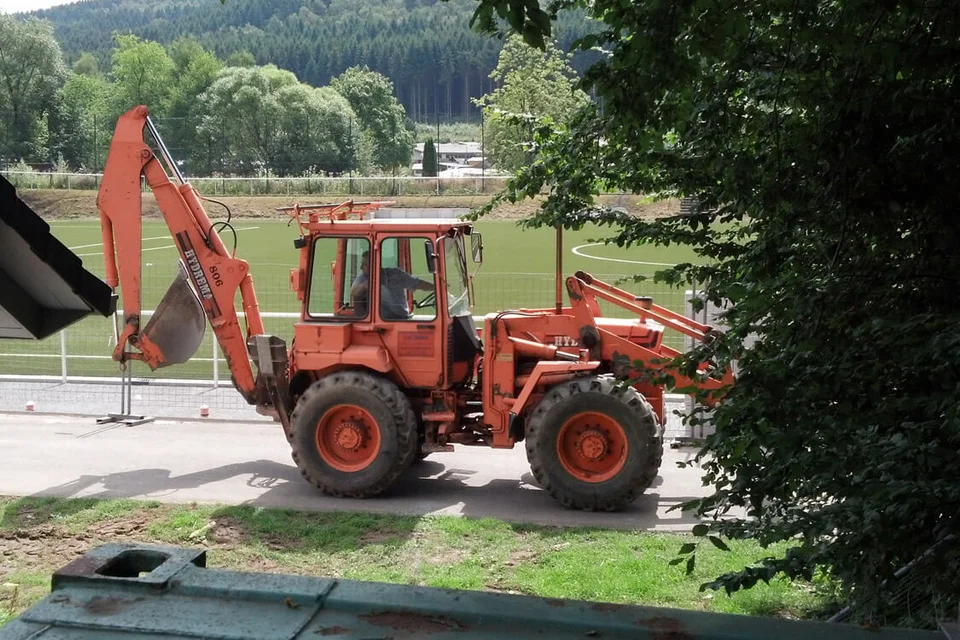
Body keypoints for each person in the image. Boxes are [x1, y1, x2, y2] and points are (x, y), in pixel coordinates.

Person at [350, 250, 434, 320]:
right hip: (381, 320)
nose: (361, 267)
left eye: (364, 264)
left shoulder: (395, 274)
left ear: (374, 264)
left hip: (401, 317)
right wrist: (365, 285)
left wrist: (436, 288)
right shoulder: (363, 278)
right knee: (382, 289)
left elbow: (417, 283)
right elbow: (354, 292)